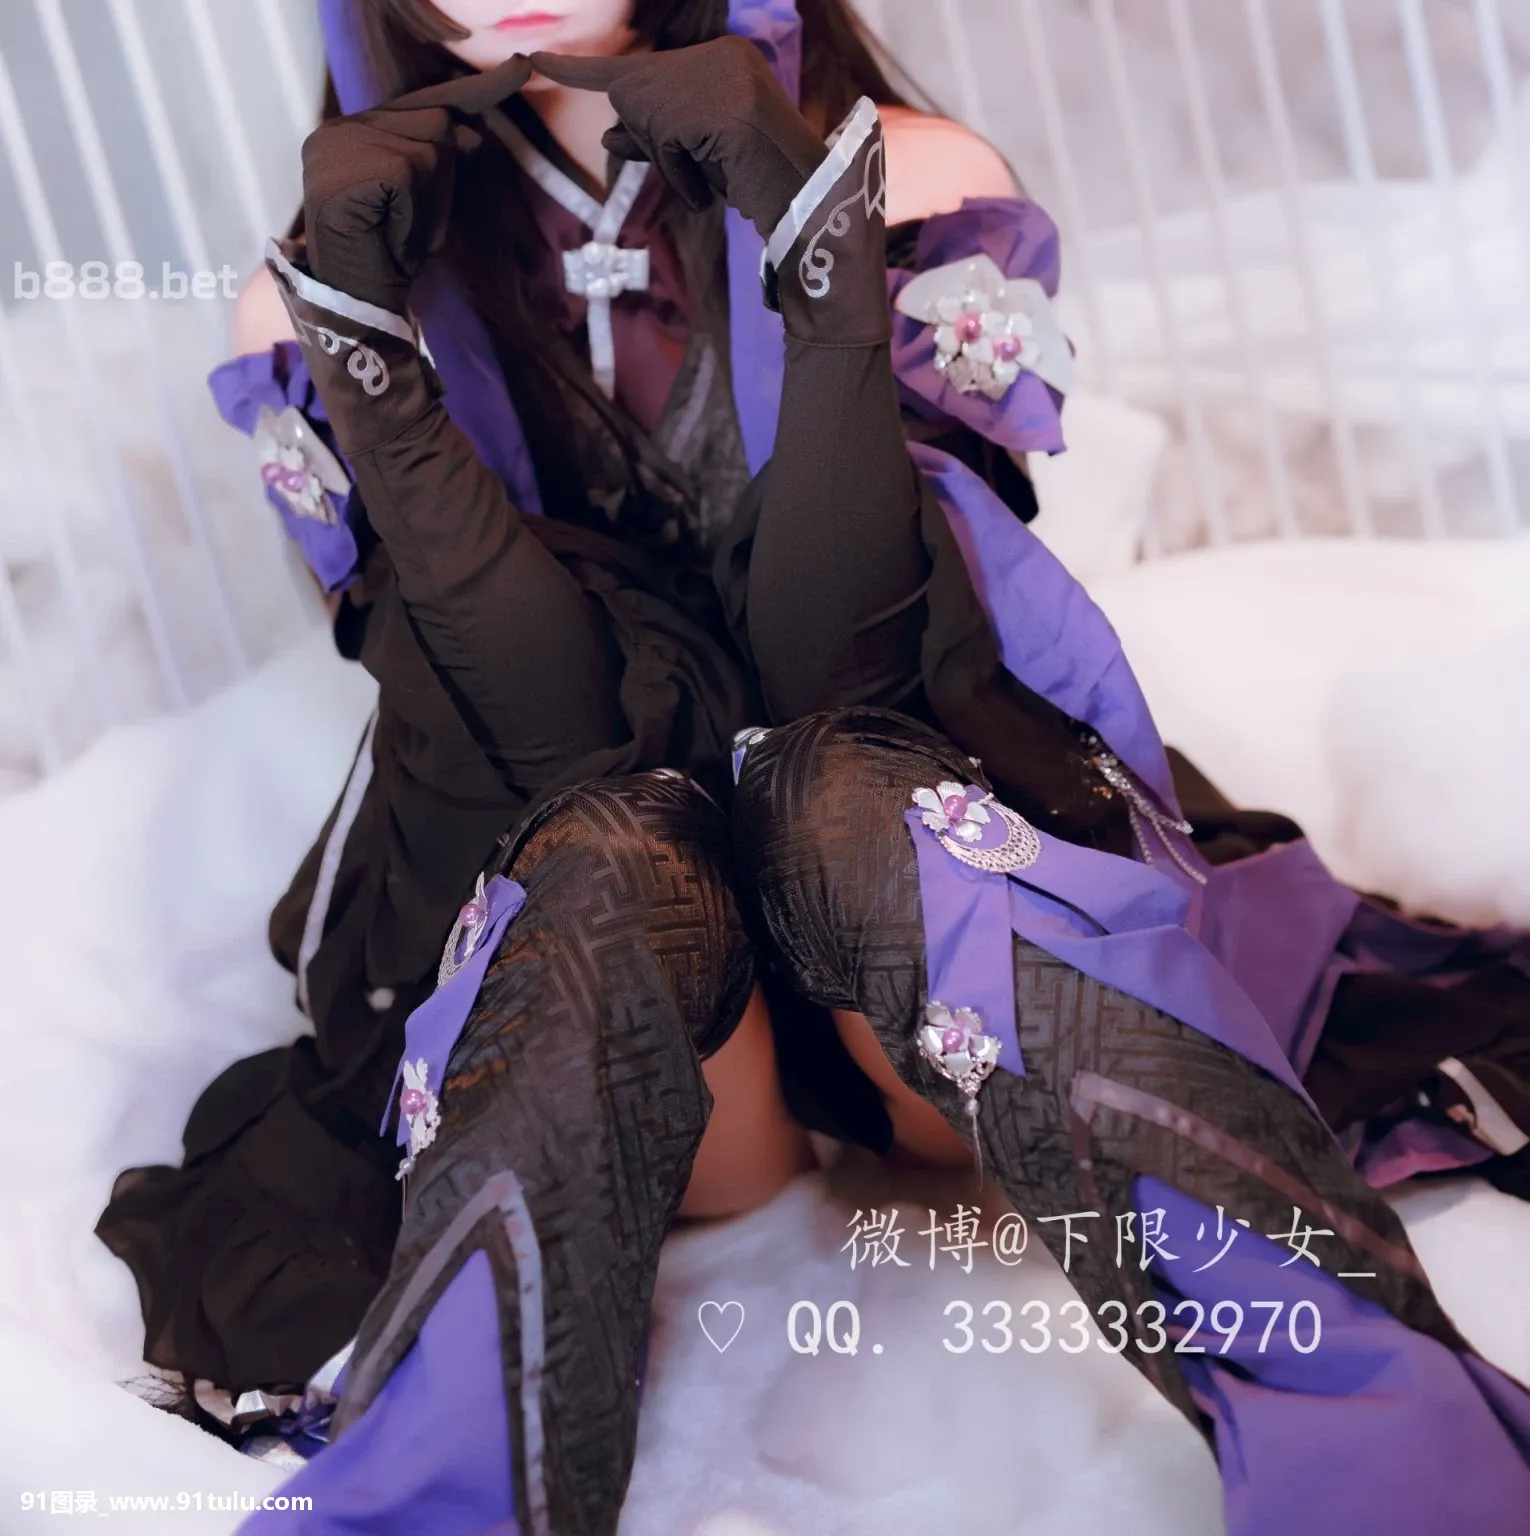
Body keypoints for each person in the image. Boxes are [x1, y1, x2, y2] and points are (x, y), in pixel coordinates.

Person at [220, 35, 1530, 1536]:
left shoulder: (917, 176)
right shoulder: (316, 286)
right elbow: (560, 742)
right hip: (662, 1020)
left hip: (910, 938)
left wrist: (821, 247)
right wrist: (362, 338)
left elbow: (843, 675)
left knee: (843, 792)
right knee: (610, 856)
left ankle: (1404, 1479)